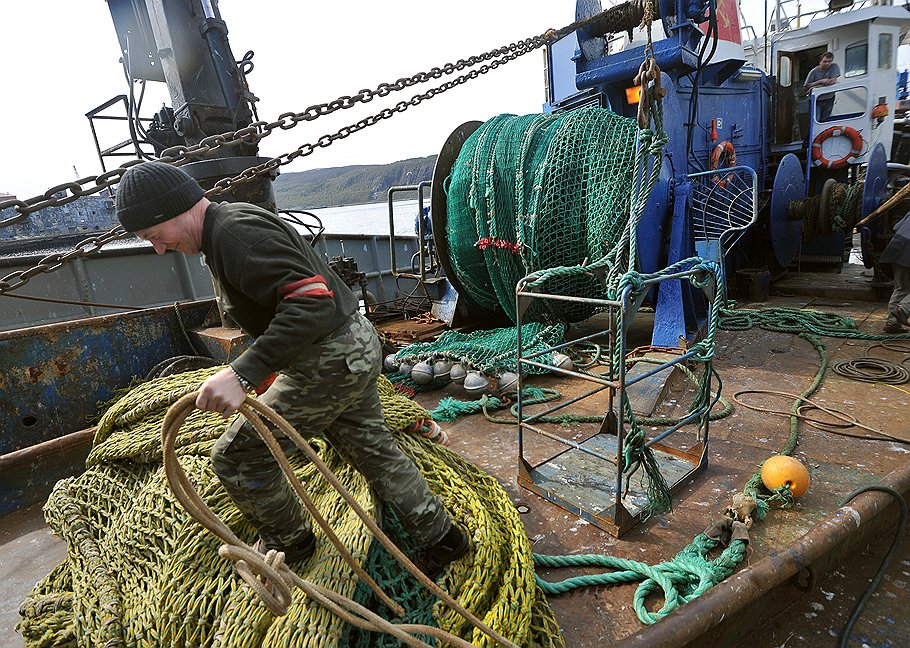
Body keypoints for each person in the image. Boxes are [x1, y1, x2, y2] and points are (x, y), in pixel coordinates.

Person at [114, 161, 469, 578]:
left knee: (238, 455)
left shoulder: (233, 234)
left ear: (174, 210)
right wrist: (264, 369)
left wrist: (244, 372)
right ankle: (444, 539)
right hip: (347, 347)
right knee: (372, 449)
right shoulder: (226, 228)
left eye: (156, 237)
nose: (159, 249)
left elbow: (311, 302)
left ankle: (291, 546)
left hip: (330, 359)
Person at [880, 208, 910, 334]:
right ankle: (903, 309)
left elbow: (896, 227)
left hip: (896, 247)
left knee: (901, 288)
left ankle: (893, 323)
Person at [804, 52, 840, 122]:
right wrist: (821, 81)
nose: (827, 63)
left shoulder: (834, 67)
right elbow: (807, 86)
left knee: (825, 120)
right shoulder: (813, 72)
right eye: (825, 61)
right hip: (816, 100)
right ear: (820, 62)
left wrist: (816, 87)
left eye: (829, 61)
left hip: (829, 98)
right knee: (815, 120)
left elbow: (832, 81)